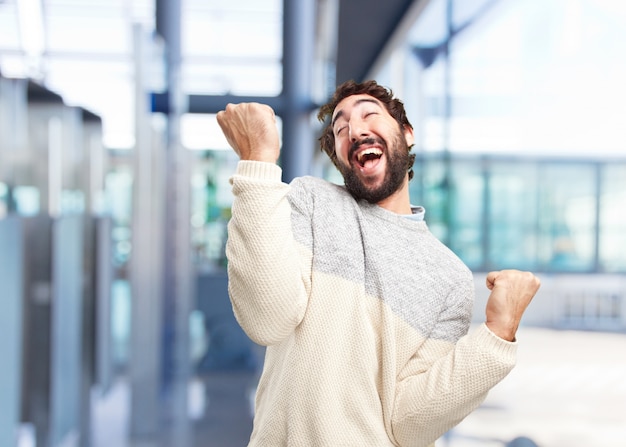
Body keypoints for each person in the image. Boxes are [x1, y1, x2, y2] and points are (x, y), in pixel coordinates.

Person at [216, 80, 541, 447]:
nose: (354, 130)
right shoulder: (311, 201)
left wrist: (497, 334)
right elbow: (267, 319)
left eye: (369, 114)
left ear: (407, 133)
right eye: (341, 129)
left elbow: (409, 424)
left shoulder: (449, 277)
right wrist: (257, 161)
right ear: (339, 157)